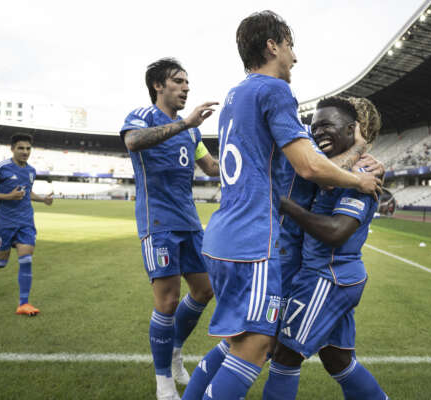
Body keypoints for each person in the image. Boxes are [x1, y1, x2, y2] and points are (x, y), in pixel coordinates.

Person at [195, 11, 382, 400]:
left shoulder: (236, 95)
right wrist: (360, 172)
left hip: (233, 234)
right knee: (258, 349)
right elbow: (311, 166)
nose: (294, 58)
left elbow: (314, 166)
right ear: (273, 45)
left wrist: (359, 156)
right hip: (258, 243)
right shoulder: (275, 90)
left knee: (333, 359)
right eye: (291, 47)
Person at [262, 96, 389, 400]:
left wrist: (285, 205)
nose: (319, 133)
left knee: (284, 355)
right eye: (315, 127)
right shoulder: (337, 169)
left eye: (328, 125)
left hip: (327, 277)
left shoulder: (363, 174)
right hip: (326, 275)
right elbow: (321, 176)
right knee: (338, 361)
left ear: (355, 129)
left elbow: (336, 232)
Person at [120, 57, 219, 400]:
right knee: (167, 300)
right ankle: (163, 380)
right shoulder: (140, 116)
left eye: (187, 82)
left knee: (205, 289)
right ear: (158, 86)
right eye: (178, 81)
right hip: (158, 221)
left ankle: (175, 351)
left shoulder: (193, 131)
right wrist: (185, 124)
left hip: (189, 222)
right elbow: (133, 142)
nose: (186, 87)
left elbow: (211, 168)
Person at [0, 134, 53, 316]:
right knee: (1, 261)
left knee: (26, 258)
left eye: (28, 149)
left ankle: (23, 304)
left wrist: (43, 199)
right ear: (12, 149)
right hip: (4, 222)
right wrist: (7, 197)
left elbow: (27, 192)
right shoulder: (1, 168)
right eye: (21, 148)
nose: (25, 152)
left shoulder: (31, 171)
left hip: (25, 222)